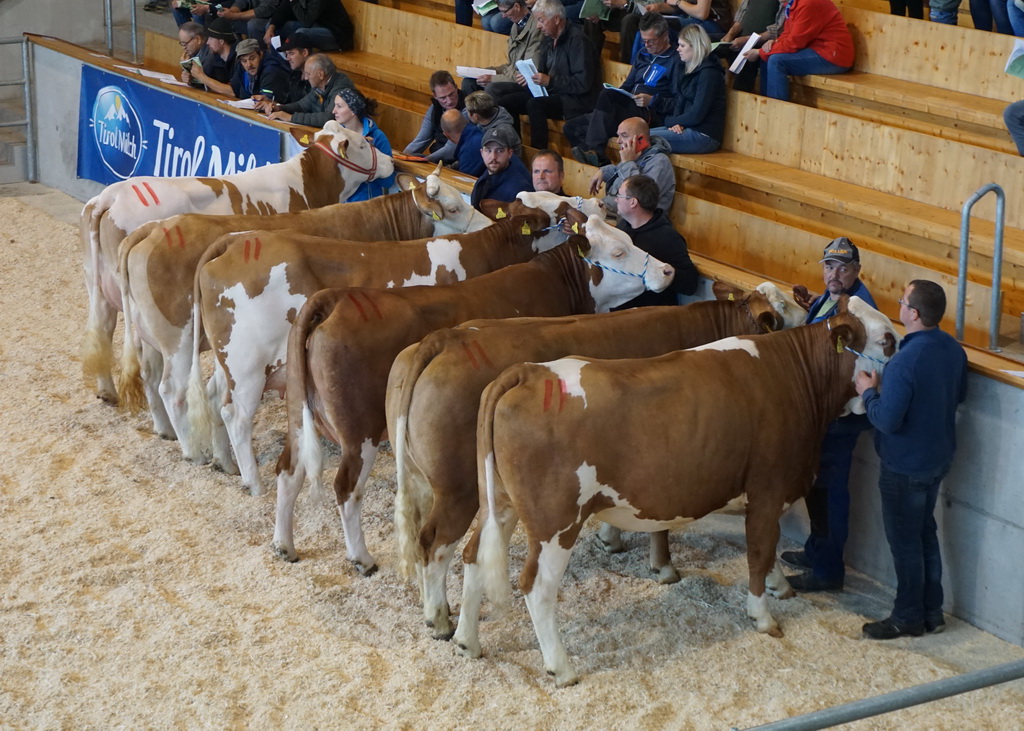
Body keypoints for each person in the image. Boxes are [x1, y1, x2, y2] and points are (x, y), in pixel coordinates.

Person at [856, 280, 968, 640]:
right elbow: (959, 394)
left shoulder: (905, 360)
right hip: (937, 459)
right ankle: (932, 612)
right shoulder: (952, 349)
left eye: (903, 301)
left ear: (913, 314)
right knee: (924, 534)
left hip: (904, 466)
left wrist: (868, 392)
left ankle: (907, 617)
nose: (899, 305)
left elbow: (887, 420)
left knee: (906, 543)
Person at [781, 237, 877, 593]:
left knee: (829, 491)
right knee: (817, 487)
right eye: (828, 266)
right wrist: (811, 307)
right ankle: (816, 551)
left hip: (839, 416)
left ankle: (827, 571)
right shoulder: (832, 298)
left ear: (856, 270)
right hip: (821, 410)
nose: (833, 274)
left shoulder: (858, 310)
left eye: (842, 267)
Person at [566, 13, 679, 167]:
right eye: (643, 40)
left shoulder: (675, 60)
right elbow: (628, 85)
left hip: (648, 113)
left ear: (665, 36)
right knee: (571, 127)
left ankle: (595, 151)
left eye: (651, 41)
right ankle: (602, 164)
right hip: (627, 108)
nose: (647, 45)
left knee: (606, 97)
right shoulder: (642, 54)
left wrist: (652, 100)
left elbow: (677, 102)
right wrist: (618, 93)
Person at [490, 0, 600, 150]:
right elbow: (542, 72)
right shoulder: (548, 38)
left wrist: (551, 81)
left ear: (556, 19)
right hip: (551, 91)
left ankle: (538, 151)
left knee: (535, 105)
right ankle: (513, 148)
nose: (538, 26)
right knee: (506, 101)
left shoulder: (578, 41)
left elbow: (583, 83)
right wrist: (530, 77)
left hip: (574, 100)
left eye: (541, 20)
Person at [612, 175, 698, 309]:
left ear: (633, 202)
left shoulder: (668, 237)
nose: (616, 199)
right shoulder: (622, 228)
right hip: (620, 311)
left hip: (650, 315)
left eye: (619, 195)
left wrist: (671, 273)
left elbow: (690, 283)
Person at [742, 0, 853, 103]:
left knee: (776, 61)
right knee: (768, 55)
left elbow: (794, 43)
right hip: (816, 49)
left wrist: (759, 52)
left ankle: (777, 111)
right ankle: (765, 106)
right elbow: (788, 34)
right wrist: (774, 42)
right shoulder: (793, 3)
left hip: (832, 55)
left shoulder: (808, 4)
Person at [648, 24, 725, 154]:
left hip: (704, 135)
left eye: (682, 46)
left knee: (643, 139)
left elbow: (697, 114)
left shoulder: (710, 73)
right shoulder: (687, 68)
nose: (678, 49)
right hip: (687, 128)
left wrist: (670, 121)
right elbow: (680, 101)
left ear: (695, 47)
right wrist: (675, 124)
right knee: (639, 134)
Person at [588, 117, 675, 214]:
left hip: (631, 222)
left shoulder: (659, 162)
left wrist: (628, 163)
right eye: (618, 135)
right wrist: (604, 171)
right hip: (610, 210)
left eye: (624, 135)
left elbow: (641, 196)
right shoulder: (635, 156)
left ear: (640, 139)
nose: (618, 141)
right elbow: (619, 170)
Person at [461, 0, 543, 102]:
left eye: (505, 11)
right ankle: (473, 116)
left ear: (517, 7)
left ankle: (495, 117)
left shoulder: (536, 28)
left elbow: (527, 72)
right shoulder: (515, 26)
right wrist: (486, 71)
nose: (503, 16)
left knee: (492, 88)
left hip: (524, 82)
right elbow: (511, 65)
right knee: (469, 82)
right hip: (511, 75)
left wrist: (492, 78)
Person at [330, 89, 397, 200]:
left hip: (367, 205)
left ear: (353, 111)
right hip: (339, 205)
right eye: (334, 106)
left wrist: (367, 162)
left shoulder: (377, 137)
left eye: (339, 106)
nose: (333, 111)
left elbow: (388, 181)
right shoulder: (335, 136)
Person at [716, 0, 788, 93]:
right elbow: (741, 17)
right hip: (740, 38)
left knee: (746, 57)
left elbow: (778, 29)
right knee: (702, 44)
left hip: (763, 41)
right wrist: (730, 34)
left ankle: (740, 101)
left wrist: (747, 40)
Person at [267, 53, 355, 126]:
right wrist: (280, 108)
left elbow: (328, 118)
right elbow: (301, 106)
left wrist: (291, 118)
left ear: (321, 74)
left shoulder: (341, 89)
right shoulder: (319, 86)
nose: (305, 78)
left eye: (308, 74)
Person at [404, 71, 467, 164]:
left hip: (458, 158)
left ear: (456, 87)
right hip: (437, 155)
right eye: (443, 98)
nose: (449, 101)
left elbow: (452, 147)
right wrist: (404, 156)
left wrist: (426, 160)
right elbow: (422, 139)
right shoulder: (434, 109)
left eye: (451, 94)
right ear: (435, 96)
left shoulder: (468, 108)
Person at [470, 126, 533, 210]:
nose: (493, 157)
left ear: (510, 153)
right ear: (482, 153)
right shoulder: (485, 177)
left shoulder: (520, 190)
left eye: (500, 151)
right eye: (488, 150)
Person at [265, 0, 354, 52]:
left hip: (336, 35)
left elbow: (306, 22)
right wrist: (271, 28)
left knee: (301, 34)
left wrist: (293, 1)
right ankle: (283, 63)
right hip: (317, 26)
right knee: (273, 27)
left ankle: (293, 65)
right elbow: (282, 11)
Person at [254, 34, 313, 111]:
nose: (287, 58)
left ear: (305, 52)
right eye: (286, 54)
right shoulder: (295, 75)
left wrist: (287, 115)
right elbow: (289, 105)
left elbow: (310, 111)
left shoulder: (316, 77)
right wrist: (269, 101)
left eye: (291, 53)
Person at [188, 17, 239, 97]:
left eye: (211, 38)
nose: (207, 42)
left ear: (221, 41)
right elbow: (209, 83)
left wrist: (202, 77)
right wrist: (191, 79)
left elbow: (233, 91)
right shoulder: (215, 58)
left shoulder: (239, 59)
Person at [465, 91, 522, 157]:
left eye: (467, 111)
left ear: (476, 117)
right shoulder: (483, 122)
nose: (466, 113)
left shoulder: (503, 132)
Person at [442, 109, 486, 176]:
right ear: (466, 121)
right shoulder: (477, 132)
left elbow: (464, 181)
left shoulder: (469, 149)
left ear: (447, 135)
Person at [217, 0, 285, 40]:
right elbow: (241, 1)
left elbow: (265, 9)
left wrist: (234, 15)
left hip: (276, 17)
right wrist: (231, 11)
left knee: (253, 24)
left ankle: (261, 54)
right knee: (231, 21)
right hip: (258, 15)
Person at [177, 22, 211, 88]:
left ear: (198, 39)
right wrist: (186, 71)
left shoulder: (210, 55)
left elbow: (207, 84)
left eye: (185, 43)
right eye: (182, 43)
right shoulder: (192, 53)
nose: (183, 47)